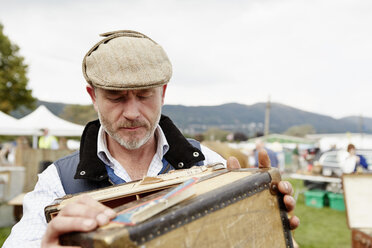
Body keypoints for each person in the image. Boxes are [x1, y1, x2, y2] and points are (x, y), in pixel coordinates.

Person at [4, 30, 299, 247]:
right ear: (93, 96)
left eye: (145, 95)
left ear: (164, 93)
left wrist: (264, 220)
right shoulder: (56, 182)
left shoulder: (212, 164)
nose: (132, 112)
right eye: (116, 98)